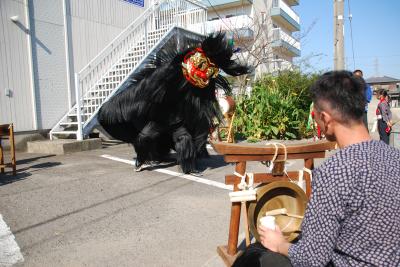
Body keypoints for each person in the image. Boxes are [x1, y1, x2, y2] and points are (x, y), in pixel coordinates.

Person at [233, 71, 400, 266]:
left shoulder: (335, 172)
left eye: (315, 115)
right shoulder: (395, 156)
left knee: (252, 257)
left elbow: (312, 259)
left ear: (325, 119)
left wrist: (280, 244)